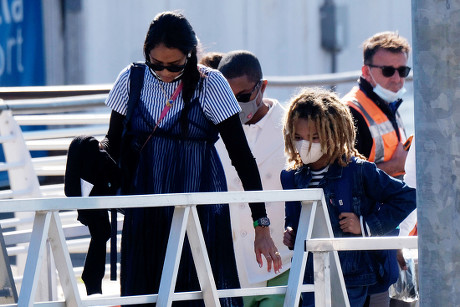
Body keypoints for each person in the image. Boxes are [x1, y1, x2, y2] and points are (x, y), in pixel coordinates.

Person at [100, 11, 281, 306]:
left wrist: (262, 225)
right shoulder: (131, 79)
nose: (165, 73)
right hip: (145, 211)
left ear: (191, 54)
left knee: (198, 296)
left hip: (199, 213)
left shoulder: (212, 84)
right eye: (156, 65)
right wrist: (94, 152)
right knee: (143, 296)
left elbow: (242, 157)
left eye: (175, 66)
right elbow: (113, 139)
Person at [281, 87, 416, 307]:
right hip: (309, 275)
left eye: (314, 137)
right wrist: (291, 233)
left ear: (333, 134)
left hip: (353, 277)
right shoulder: (291, 177)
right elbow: (293, 218)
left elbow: (407, 197)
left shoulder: (358, 170)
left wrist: (365, 225)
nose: (305, 144)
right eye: (298, 137)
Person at [215, 50, 292, 306]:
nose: (236, 105)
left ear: (263, 87)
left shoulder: (294, 127)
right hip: (231, 265)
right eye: (228, 97)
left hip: (283, 263)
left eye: (244, 96)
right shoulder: (211, 132)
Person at [341, 31, 412, 306]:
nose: (396, 78)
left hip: (387, 229)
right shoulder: (353, 112)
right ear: (366, 71)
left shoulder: (388, 105)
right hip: (368, 237)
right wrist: (393, 165)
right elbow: (346, 176)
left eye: (402, 70)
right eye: (388, 70)